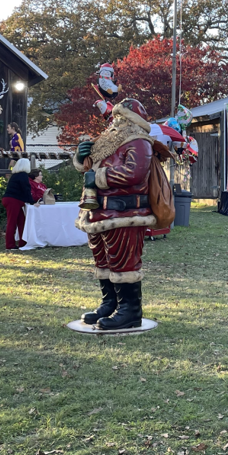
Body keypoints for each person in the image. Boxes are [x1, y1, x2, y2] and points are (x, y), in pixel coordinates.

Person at [74, 99, 157, 330]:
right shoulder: (108, 143)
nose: (114, 122)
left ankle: (129, 310)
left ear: (132, 121)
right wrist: (82, 159)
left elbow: (135, 173)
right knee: (104, 261)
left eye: (120, 118)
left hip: (124, 212)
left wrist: (100, 177)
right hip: (99, 211)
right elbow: (89, 166)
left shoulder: (139, 142)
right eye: (114, 118)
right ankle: (110, 303)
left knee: (123, 263)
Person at [1, 158, 34, 250]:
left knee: (21, 221)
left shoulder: (15, 175)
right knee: (13, 222)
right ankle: (10, 244)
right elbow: (26, 189)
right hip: (14, 200)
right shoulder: (23, 175)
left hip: (11, 199)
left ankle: (22, 242)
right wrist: (32, 202)